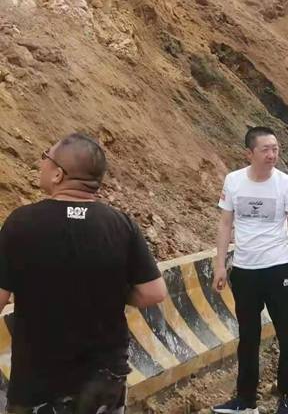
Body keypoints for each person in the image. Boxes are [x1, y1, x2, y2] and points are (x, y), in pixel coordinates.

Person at [0, 132, 167, 414]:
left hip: (37, 381)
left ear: (58, 174)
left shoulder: (21, 223)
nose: (41, 163)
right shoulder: (121, 225)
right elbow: (154, 292)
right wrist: (111, 289)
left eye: (46, 157)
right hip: (103, 381)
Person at [211, 127, 288, 414]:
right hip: (244, 270)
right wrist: (220, 265)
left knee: (286, 333)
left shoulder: (286, 184)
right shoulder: (234, 181)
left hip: (277, 268)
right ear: (249, 153)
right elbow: (225, 224)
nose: (272, 155)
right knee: (248, 337)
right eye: (265, 149)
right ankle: (245, 400)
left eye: (275, 149)